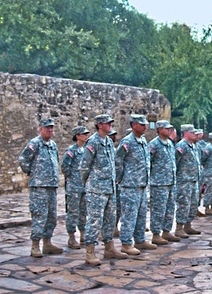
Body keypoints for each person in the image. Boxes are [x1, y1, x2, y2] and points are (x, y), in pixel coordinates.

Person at [79, 114, 126, 266]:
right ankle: (90, 251)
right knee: (94, 220)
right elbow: (84, 166)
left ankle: (109, 248)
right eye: (107, 123)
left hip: (109, 188)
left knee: (109, 220)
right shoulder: (93, 142)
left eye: (110, 123)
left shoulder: (108, 142)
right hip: (96, 189)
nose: (110, 125)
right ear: (99, 125)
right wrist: (89, 184)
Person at [18, 118, 62, 258]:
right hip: (39, 186)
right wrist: (33, 173)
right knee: (39, 215)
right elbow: (23, 160)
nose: (50, 130)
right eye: (47, 128)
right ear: (41, 129)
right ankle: (35, 245)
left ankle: (47, 243)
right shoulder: (35, 143)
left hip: (51, 186)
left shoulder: (53, 145)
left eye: (51, 128)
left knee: (51, 217)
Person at [114, 114, 157, 255]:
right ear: (133, 125)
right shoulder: (127, 142)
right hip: (130, 185)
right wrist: (120, 178)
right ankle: (126, 243)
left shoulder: (143, 141)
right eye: (141, 124)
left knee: (141, 215)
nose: (145, 127)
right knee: (129, 216)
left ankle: (140, 239)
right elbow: (118, 161)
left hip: (142, 184)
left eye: (145, 124)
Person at [148, 120, 179, 245]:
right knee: (158, 209)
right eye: (167, 129)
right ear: (160, 129)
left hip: (170, 181)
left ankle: (166, 231)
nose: (169, 131)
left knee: (170, 208)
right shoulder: (154, 144)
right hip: (159, 183)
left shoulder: (170, 144)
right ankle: (156, 234)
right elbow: (148, 162)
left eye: (170, 128)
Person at [61, 126, 90, 250]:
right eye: (83, 134)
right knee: (73, 212)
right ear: (77, 136)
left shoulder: (87, 150)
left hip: (85, 186)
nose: (86, 136)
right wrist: (72, 179)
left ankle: (83, 235)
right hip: (74, 187)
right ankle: (71, 237)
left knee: (84, 212)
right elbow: (65, 167)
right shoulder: (71, 151)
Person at [174, 125, 202, 237]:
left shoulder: (193, 146)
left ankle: (188, 225)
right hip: (184, 180)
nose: (195, 134)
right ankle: (179, 227)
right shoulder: (181, 146)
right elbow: (175, 161)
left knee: (193, 204)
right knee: (183, 204)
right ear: (185, 133)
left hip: (194, 179)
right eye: (192, 132)